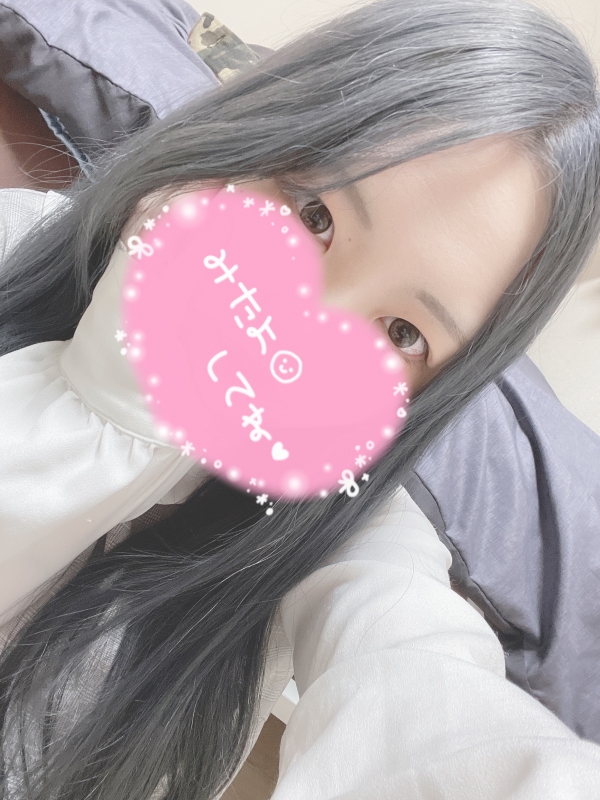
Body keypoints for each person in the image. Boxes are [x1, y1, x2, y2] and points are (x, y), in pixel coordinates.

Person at [1, 0, 600, 798]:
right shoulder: (14, 236)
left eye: (402, 333)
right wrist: (104, 404)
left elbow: (424, 702)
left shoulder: (359, 538)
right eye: (314, 214)